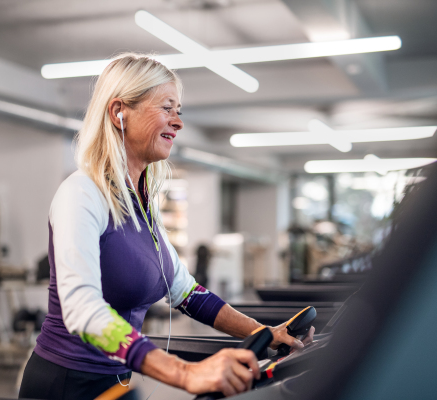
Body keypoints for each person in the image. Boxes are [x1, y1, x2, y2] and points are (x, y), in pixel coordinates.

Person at [18, 53, 314, 400]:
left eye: (179, 111)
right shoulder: (81, 193)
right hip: (66, 384)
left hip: (114, 383)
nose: (178, 122)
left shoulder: (140, 202)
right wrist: (184, 372)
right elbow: (81, 309)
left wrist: (265, 332)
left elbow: (187, 293)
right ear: (119, 113)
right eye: (166, 108)